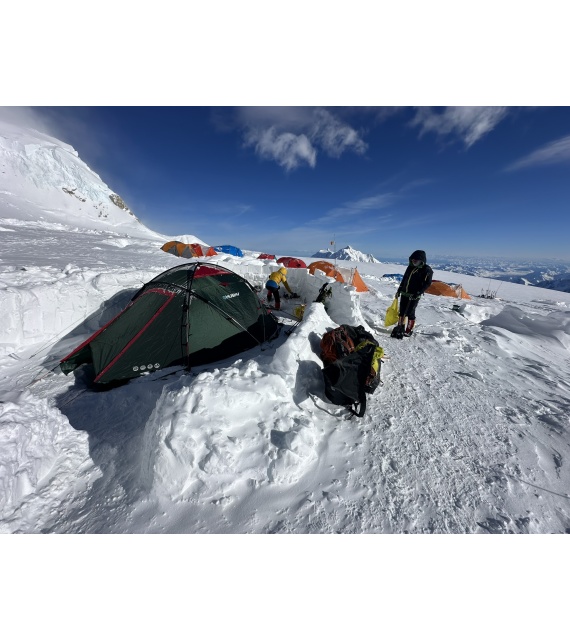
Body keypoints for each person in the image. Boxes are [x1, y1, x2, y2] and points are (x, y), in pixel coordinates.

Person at [391, 249, 433, 339]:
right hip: (404, 293)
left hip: (414, 295)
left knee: (410, 312)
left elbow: (427, 283)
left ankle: (409, 329)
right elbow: (404, 279)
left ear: (421, 260)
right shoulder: (410, 267)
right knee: (402, 311)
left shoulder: (427, 270)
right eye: (413, 259)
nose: (414, 261)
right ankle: (400, 327)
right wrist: (399, 290)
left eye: (416, 260)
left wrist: (418, 292)